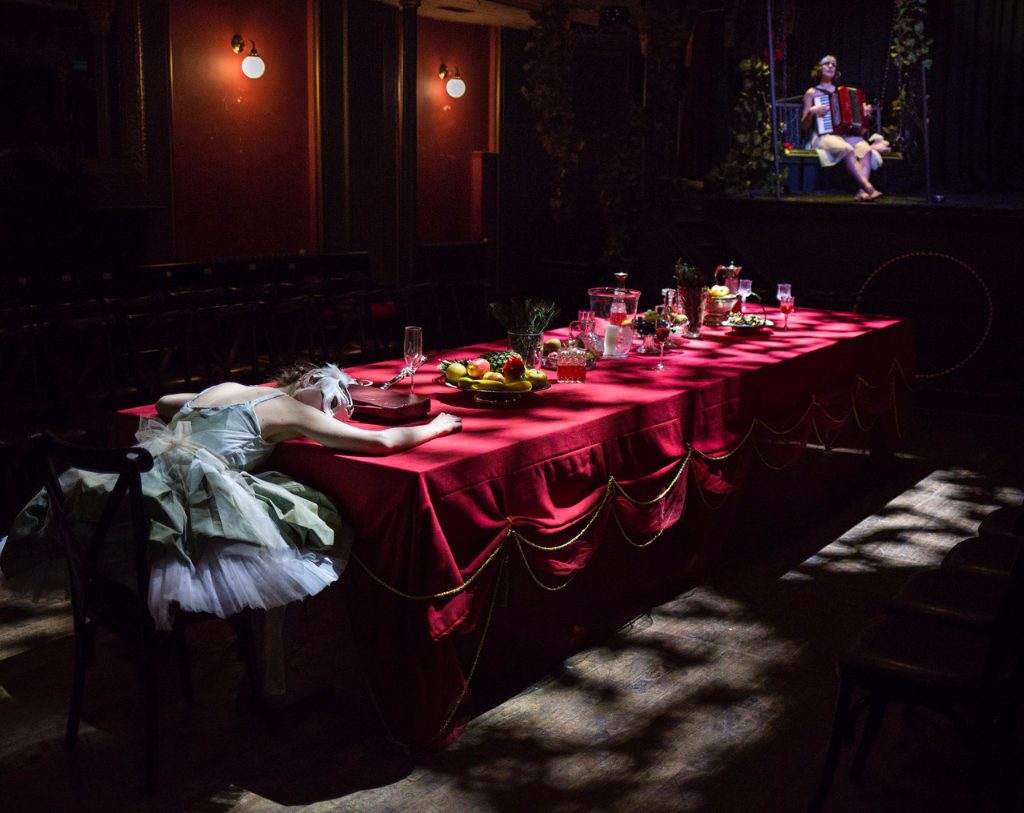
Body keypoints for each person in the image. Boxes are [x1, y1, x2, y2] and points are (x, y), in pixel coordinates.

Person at [0, 362, 462, 696]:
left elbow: (164, 403)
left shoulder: (228, 387)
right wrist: (437, 427)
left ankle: (157, 635)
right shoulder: (288, 408)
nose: (334, 411)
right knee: (294, 542)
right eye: (332, 398)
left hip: (141, 491)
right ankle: (273, 679)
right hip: (186, 500)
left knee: (271, 532)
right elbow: (381, 441)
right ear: (305, 380)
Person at [801, 55, 891, 201]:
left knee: (866, 149)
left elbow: (860, 130)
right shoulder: (812, 93)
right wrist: (812, 111)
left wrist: (863, 114)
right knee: (847, 149)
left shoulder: (842, 93)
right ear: (819, 69)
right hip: (824, 136)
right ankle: (869, 188)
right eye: (826, 63)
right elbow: (804, 127)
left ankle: (861, 192)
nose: (830, 66)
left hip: (845, 135)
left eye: (833, 64)